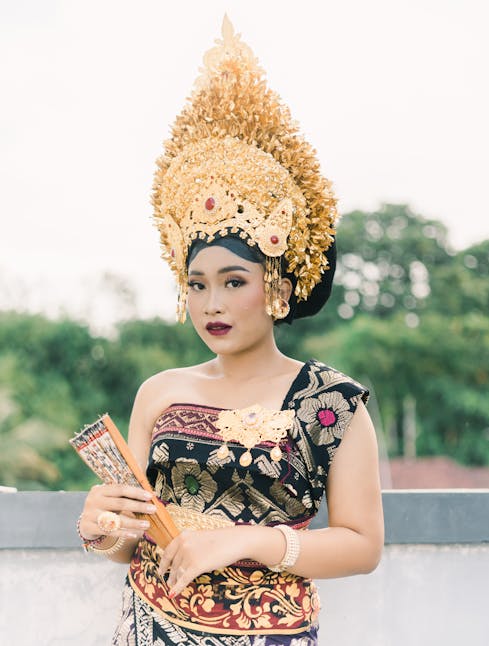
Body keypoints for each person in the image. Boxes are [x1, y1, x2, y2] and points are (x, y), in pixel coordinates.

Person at [77, 16, 384, 646]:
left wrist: (246, 541)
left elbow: (362, 545)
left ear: (276, 284)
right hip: (149, 626)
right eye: (196, 283)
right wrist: (103, 528)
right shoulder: (158, 392)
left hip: (273, 634)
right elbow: (136, 539)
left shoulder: (331, 402)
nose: (211, 302)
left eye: (233, 281)